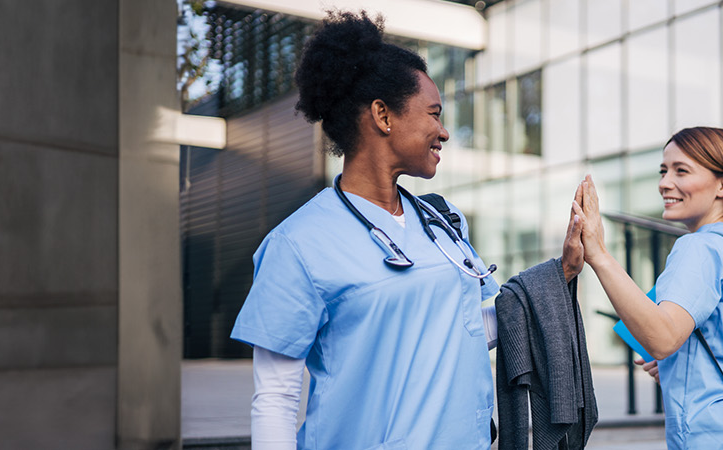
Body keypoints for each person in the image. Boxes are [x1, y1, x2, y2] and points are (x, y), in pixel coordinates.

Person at [230, 10, 586, 449]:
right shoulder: (298, 244)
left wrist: (559, 275)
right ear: (383, 115)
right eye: (433, 114)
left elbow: (463, 331)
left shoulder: (443, 222)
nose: (444, 131)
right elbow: (276, 398)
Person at [576, 127, 723, 449]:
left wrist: (598, 253)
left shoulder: (699, 248)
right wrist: (680, 364)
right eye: (663, 170)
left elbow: (663, 338)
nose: (664, 183)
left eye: (681, 171)